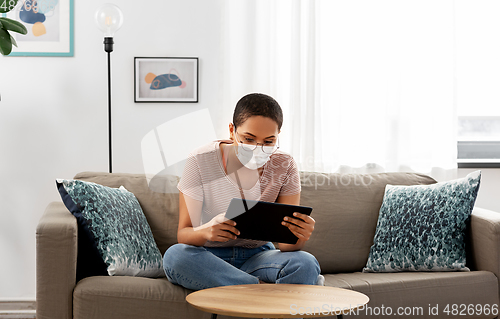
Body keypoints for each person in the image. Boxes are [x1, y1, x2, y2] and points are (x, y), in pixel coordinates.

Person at [163, 93, 322, 291]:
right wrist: (207, 231)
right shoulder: (199, 160)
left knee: (306, 263)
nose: (258, 148)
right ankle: (264, 292)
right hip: (209, 259)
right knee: (175, 257)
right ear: (232, 131)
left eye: (268, 141)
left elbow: (287, 247)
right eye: (249, 139)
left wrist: (299, 236)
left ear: (278, 135)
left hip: (259, 256)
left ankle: (237, 289)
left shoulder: (285, 165)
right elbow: (183, 234)